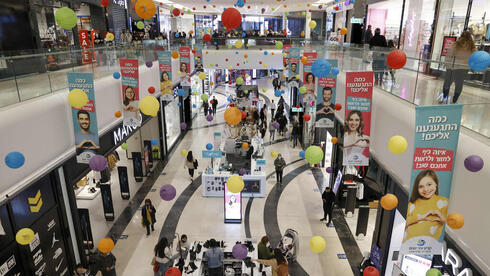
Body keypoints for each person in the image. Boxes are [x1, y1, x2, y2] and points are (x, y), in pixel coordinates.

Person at [404, 170, 449, 243]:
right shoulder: (412, 204)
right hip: (408, 243)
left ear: (436, 183)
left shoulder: (444, 202)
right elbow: (405, 223)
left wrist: (440, 217)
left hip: (428, 246)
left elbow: (450, 225)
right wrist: (420, 217)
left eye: (429, 184)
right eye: (421, 186)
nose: (426, 189)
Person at [441, 31, 476, 104]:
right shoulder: (472, 47)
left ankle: (444, 97)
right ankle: (455, 99)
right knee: (459, 84)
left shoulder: (456, 44)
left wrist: (447, 65)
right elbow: (474, 58)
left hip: (453, 67)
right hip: (464, 68)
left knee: (447, 82)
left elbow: (449, 55)